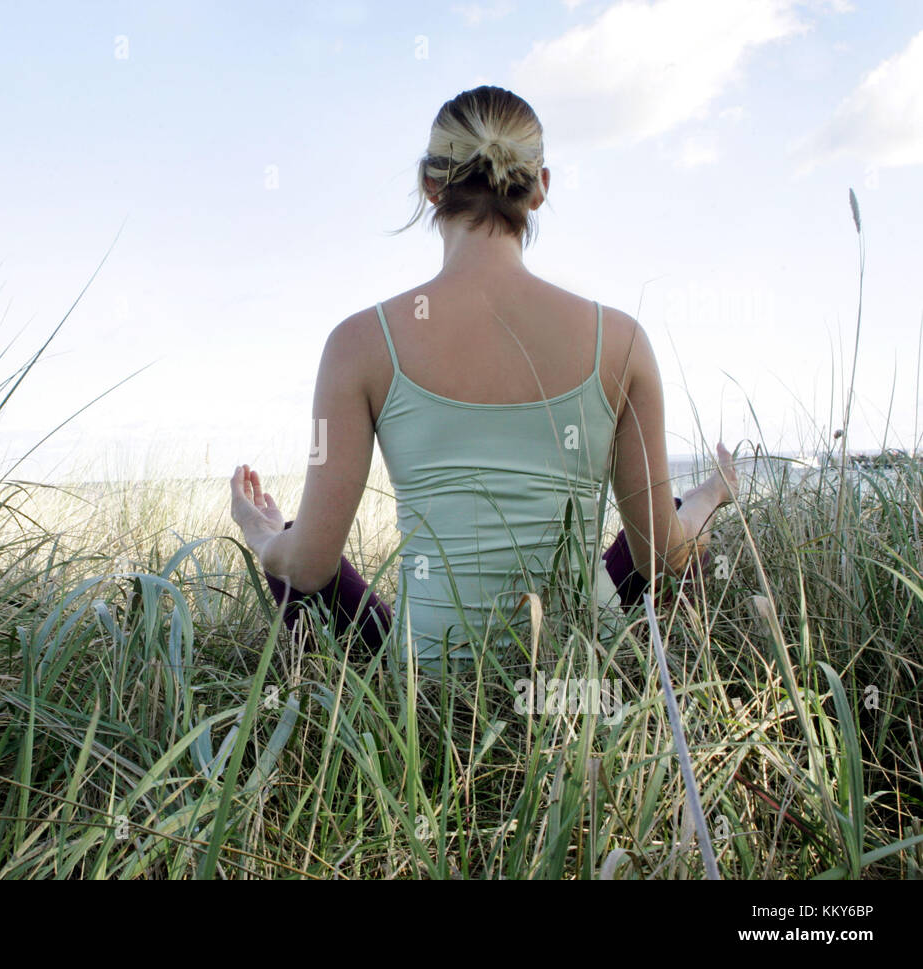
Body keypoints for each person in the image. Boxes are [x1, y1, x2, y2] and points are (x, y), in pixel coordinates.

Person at [228, 85, 737, 669]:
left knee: (293, 548)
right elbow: (663, 559)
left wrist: (264, 535)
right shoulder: (620, 341)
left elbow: (312, 568)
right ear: (541, 186)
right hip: (583, 674)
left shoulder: (359, 343)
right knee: (662, 514)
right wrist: (711, 494)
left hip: (428, 693)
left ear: (429, 185)